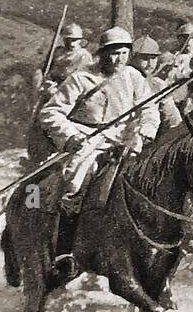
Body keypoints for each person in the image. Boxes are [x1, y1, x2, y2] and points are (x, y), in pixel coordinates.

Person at [39, 28, 159, 282]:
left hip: (126, 143)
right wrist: (71, 136)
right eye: (113, 54)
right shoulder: (81, 79)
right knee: (75, 185)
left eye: (124, 53)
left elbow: (149, 111)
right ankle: (65, 252)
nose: (119, 60)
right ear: (102, 54)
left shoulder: (134, 78)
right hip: (89, 141)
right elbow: (51, 113)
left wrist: (139, 137)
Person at [130, 34, 184, 138]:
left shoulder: (158, 84)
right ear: (133, 57)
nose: (150, 63)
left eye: (153, 58)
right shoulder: (123, 79)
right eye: (145, 58)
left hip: (149, 138)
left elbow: (172, 117)